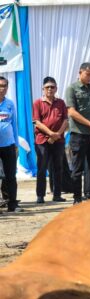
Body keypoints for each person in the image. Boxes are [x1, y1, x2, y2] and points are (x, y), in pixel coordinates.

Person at [66, 62, 90, 204]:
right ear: (80, 72)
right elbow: (71, 112)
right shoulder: (72, 89)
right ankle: (77, 198)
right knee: (78, 168)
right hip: (79, 134)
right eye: (87, 74)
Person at [33, 77, 68, 204]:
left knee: (58, 168)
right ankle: (40, 196)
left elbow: (65, 120)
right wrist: (51, 134)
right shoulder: (37, 103)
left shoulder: (61, 103)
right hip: (42, 140)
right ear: (43, 89)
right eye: (47, 87)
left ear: (56, 88)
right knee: (42, 168)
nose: (50, 89)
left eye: (52, 87)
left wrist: (57, 134)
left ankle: (57, 194)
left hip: (58, 140)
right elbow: (37, 122)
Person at [0, 76, 22, 212]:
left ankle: (12, 204)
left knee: (10, 176)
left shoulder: (10, 104)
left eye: (4, 86)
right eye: (0, 86)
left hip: (8, 145)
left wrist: (16, 144)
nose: (2, 89)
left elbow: (14, 124)